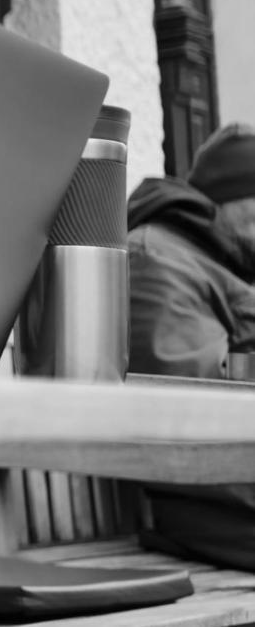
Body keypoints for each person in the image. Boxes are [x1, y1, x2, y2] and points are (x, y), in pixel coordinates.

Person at [127, 122, 255, 570]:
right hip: (214, 507)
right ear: (238, 200)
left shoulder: (223, 264)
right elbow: (189, 419)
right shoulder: (159, 258)